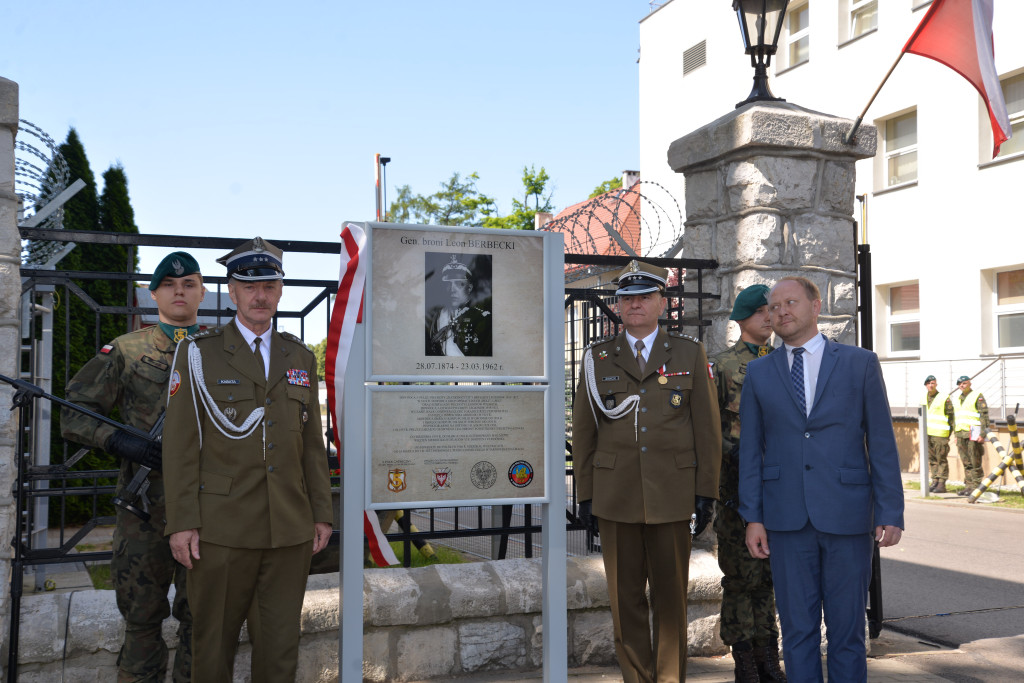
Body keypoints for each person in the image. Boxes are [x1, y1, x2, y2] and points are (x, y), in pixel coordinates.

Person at [163, 237, 333, 682]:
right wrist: (182, 521)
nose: (260, 296)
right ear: (233, 292)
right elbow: (180, 445)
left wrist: (321, 513)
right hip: (221, 530)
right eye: (249, 286)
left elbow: (311, 445)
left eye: (269, 286)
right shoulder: (199, 353)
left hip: (288, 529)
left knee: (280, 650)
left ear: (280, 291)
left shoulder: (299, 356)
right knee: (212, 649)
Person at [738, 276, 904, 683]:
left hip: (848, 515)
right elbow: (751, 451)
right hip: (785, 520)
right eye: (774, 306)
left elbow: (882, 442)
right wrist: (753, 517)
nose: (781, 311)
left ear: (816, 306)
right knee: (798, 632)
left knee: (848, 633)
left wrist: (891, 511)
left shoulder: (860, 363)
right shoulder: (759, 372)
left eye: (790, 302)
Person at [572, 259, 721, 683]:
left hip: (672, 494)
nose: (634, 304)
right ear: (618, 305)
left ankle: (669, 679)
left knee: (672, 600)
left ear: (662, 302)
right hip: (615, 495)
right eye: (626, 298)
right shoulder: (597, 358)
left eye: (644, 297)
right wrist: (586, 494)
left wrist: (705, 492)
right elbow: (584, 431)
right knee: (626, 600)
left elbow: (707, 430)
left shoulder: (689, 353)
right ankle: (637, 678)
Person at [62, 251, 203, 682]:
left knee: (203, 619)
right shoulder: (126, 350)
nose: (179, 291)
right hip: (144, 511)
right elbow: (74, 412)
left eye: (189, 284)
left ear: (201, 292)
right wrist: (121, 441)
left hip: (207, 508)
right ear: (153, 294)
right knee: (141, 619)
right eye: (169, 285)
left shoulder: (220, 351)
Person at [712, 284, 786, 683]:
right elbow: (711, 429)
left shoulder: (783, 362)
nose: (769, 317)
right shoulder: (722, 366)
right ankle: (744, 662)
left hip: (779, 488)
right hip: (736, 490)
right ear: (742, 318)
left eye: (771, 310)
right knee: (742, 577)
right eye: (761, 312)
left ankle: (768, 658)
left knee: (769, 578)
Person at [426, 253, 492, 356]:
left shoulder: (481, 317)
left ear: (469, 288)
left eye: (459, 284)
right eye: (448, 284)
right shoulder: (435, 317)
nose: (452, 289)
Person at [952, 375, 989, 496]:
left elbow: (984, 416)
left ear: (970, 383)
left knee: (975, 461)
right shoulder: (958, 399)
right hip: (961, 433)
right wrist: (956, 434)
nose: (962, 386)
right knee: (966, 462)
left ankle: (976, 487)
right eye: (960, 384)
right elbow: (957, 418)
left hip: (973, 432)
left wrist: (983, 434)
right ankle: (968, 486)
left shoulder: (977, 396)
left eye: (964, 383)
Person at [922, 375, 955, 493]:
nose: (931, 385)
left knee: (941, 459)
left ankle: (941, 483)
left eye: (933, 383)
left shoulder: (944, 398)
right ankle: (935, 480)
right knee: (932, 459)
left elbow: (951, 417)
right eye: (929, 383)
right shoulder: (923, 398)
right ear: (926, 385)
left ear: (936, 384)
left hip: (940, 434)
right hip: (927, 434)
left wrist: (951, 433)